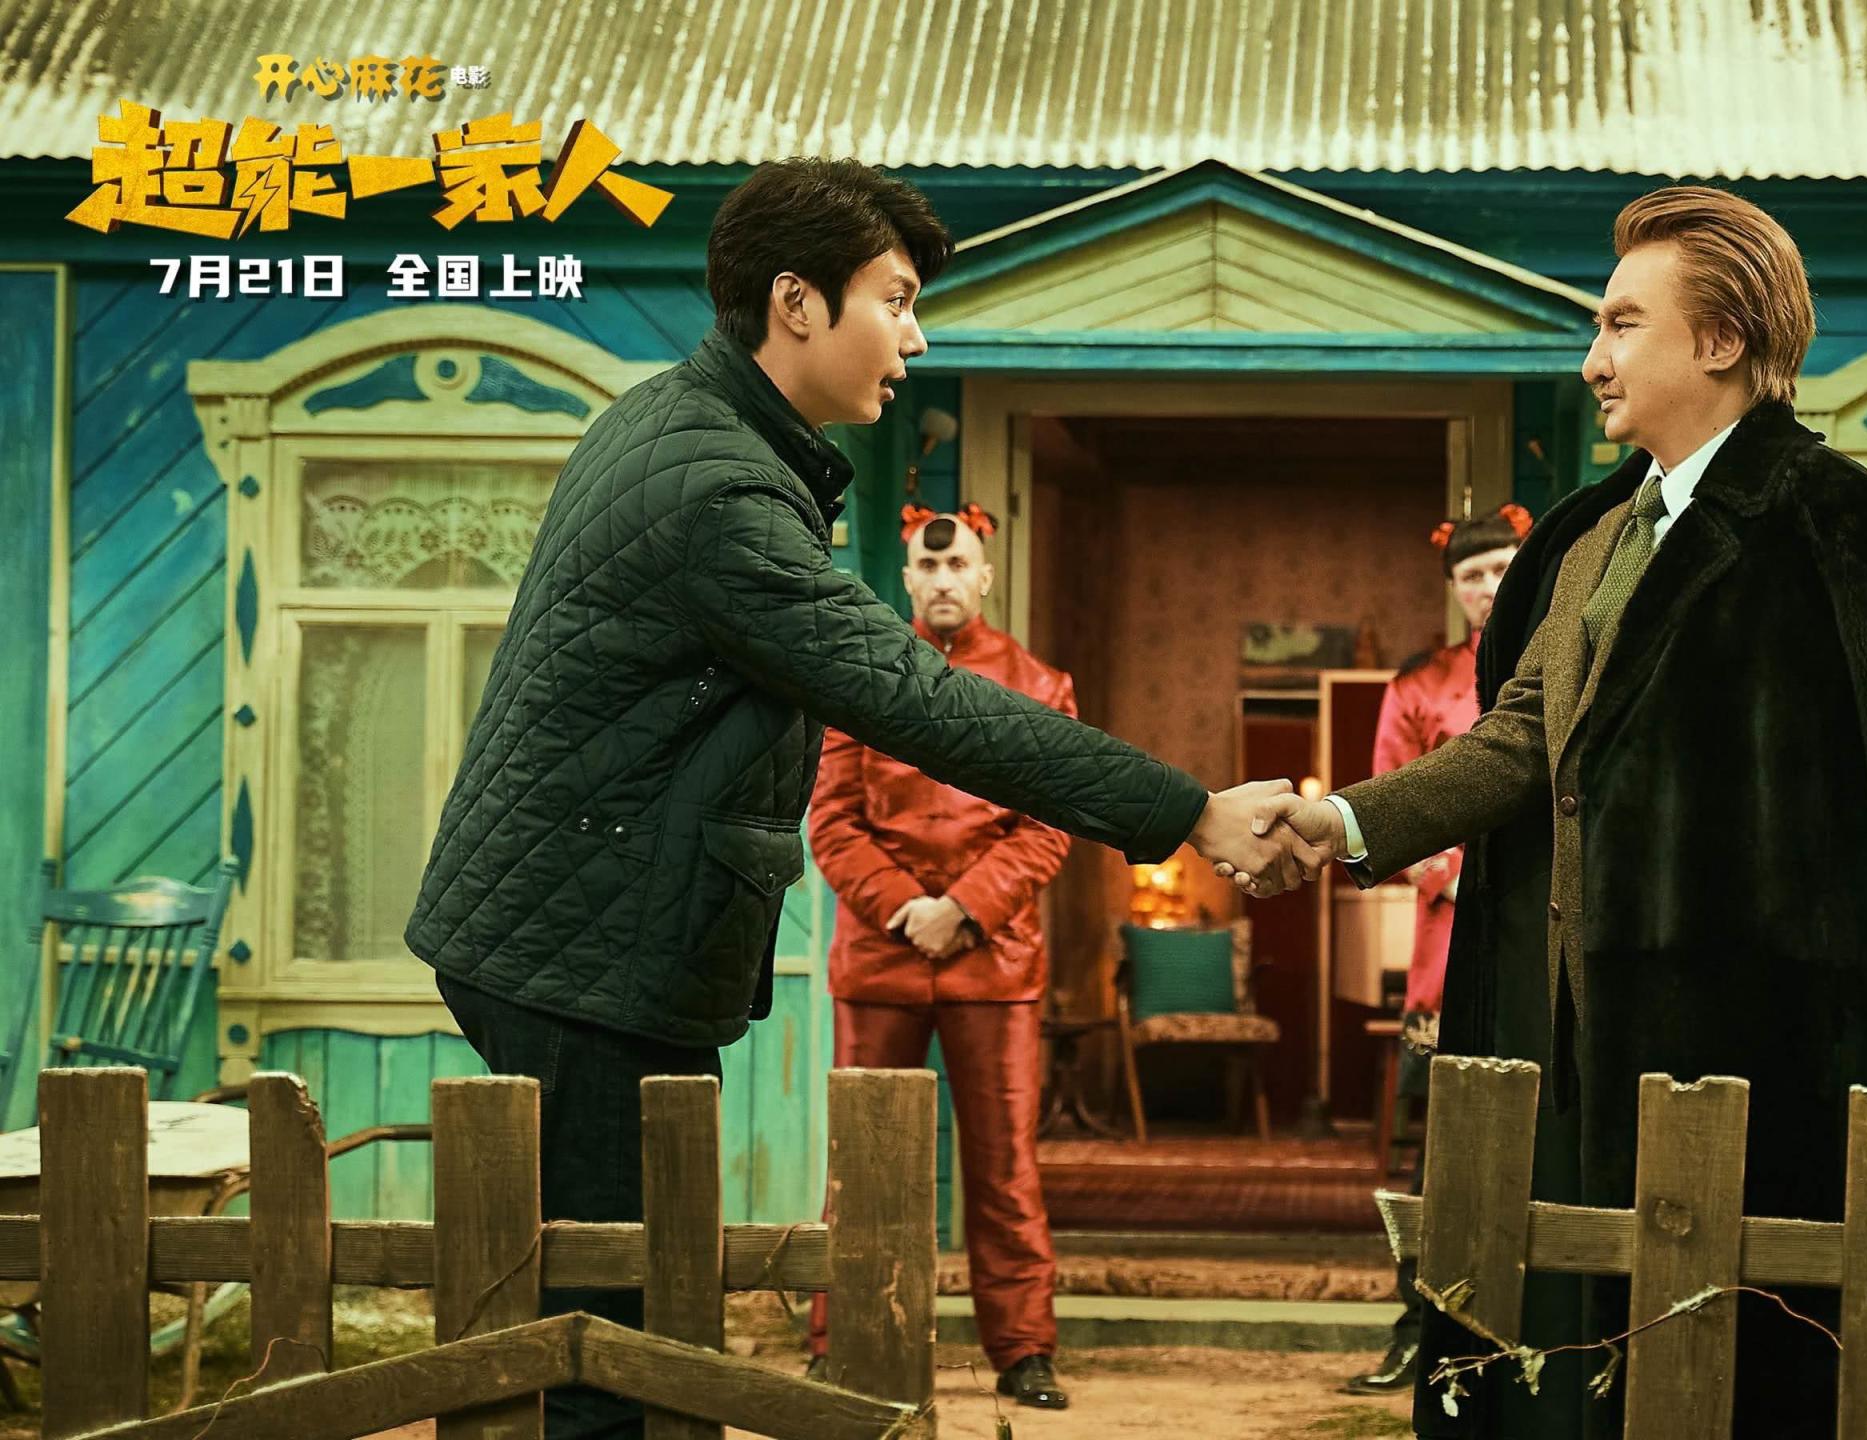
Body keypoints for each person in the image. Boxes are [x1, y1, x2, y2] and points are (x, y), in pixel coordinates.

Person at [406, 157, 1310, 1440]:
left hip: (591, 937)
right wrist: (1192, 812)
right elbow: (916, 700)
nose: (915, 337)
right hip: (578, 951)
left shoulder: (683, 425)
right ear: (796, 303)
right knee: (612, 1347)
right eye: (895, 299)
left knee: (641, 1319)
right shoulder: (717, 490)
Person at [1267, 186, 1867, 1439]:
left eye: (1620, 324)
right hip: (1556, 1041)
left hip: (1752, 1062)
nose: (1591, 360)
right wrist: (1341, 822)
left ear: (1720, 341)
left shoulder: (1842, 525)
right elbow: (1520, 737)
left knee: (1723, 1390)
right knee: (1558, 1379)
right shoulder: (1592, 540)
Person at [802, 504, 1079, 1408]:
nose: (945, 580)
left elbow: (1049, 826)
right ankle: (841, 1340)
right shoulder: (862, 678)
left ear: (985, 576)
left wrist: (962, 909)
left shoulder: (1039, 685)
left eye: (960, 565)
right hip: (880, 960)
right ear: (907, 579)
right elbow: (832, 821)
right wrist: (906, 909)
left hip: (993, 963)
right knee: (863, 1162)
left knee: (1004, 1168)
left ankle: (1024, 1350)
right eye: (930, 568)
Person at [1340, 503, 1528, 1397]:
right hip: (1449, 947)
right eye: (1472, 576)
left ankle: (1529, 1336)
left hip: (1548, 937)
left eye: (1503, 570)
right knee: (1440, 1152)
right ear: (1453, 589)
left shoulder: (1565, 660)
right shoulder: (1419, 686)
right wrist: (1461, 873)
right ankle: (1418, 1331)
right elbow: (1388, 809)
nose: (1489, 588)